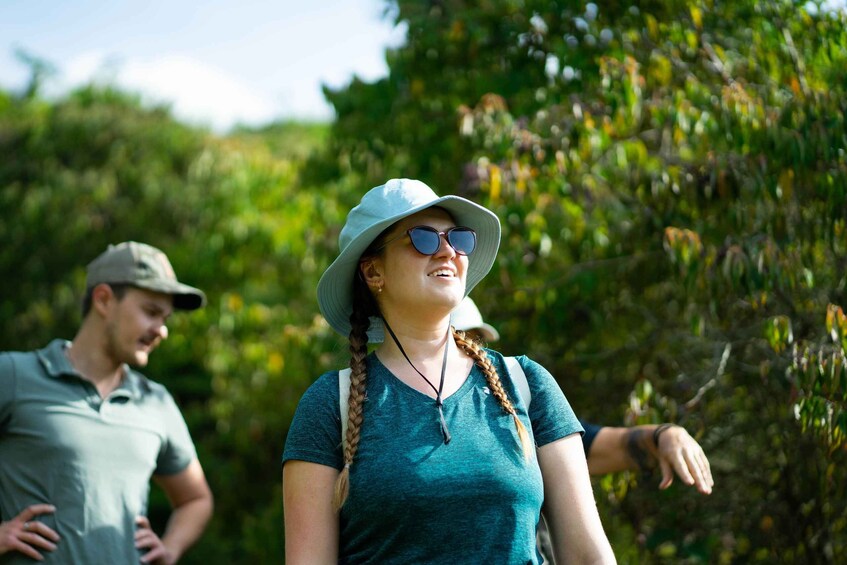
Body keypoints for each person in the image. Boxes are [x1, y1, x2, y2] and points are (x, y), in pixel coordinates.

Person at [282, 178, 616, 564]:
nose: (446, 250)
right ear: (373, 272)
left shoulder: (527, 384)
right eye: (422, 239)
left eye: (458, 238)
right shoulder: (328, 406)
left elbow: (590, 557)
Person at [0, 242, 214, 564]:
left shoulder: (156, 402)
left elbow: (196, 499)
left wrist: (171, 546)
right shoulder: (14, 374)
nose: (162, 330)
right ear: (103, 299)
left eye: (166, 317)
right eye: (151, 312)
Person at [452, 296, 714, 495]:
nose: (473, 350)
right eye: (461, 339)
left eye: (478, 340)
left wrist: (664, 435)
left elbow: (602, 447)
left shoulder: (517, 405)